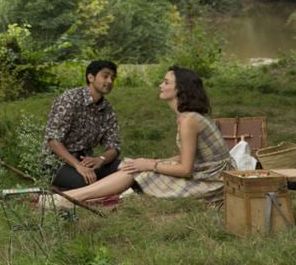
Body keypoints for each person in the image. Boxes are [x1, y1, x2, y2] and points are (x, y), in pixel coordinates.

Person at [50, 66, 234, 206]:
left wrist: (151, 164)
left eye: (166, 82)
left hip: (211, 181)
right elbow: (188, 156)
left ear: (180, 89)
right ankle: (74, 198)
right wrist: (151, 161)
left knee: (138, 170)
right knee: (135, 165)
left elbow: (186, 169)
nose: (160, 85)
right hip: (213, 174)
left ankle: (66, 199)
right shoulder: (189, 117)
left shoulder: (188, 120)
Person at [43, 60, 122, 190]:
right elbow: (53, 140)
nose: (110, 81)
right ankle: (57, 188)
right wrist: (77, 166)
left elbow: (114, 146)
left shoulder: (107, 109)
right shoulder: (70, 99)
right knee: (88, 182)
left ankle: (100, 186)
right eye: (105, 76)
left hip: (86, 162)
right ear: (90, 77)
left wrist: (101, 159)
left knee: (126, 168)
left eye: (112, 78)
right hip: (56, 163)